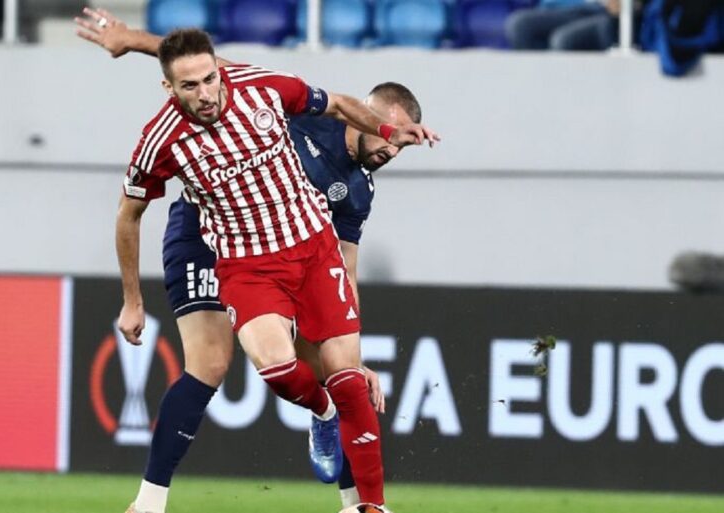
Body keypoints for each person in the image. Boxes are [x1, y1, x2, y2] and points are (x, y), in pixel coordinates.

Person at [76, 8, 430, 512]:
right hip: (212, 238)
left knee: (341, 374)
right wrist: (132, 39)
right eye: (385, 136)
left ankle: (359, 501)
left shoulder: (357, 192)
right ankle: (150, 501)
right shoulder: (283, 105)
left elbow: (346, 265)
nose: (390, 152)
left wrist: (355, 348)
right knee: (210, 363)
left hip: (300, 246)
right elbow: (202, 65)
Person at [505, 0, 622, 51]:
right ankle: (532, 86)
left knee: (562, 39)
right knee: (520, 25)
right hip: (569, 6)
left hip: (604, 11)